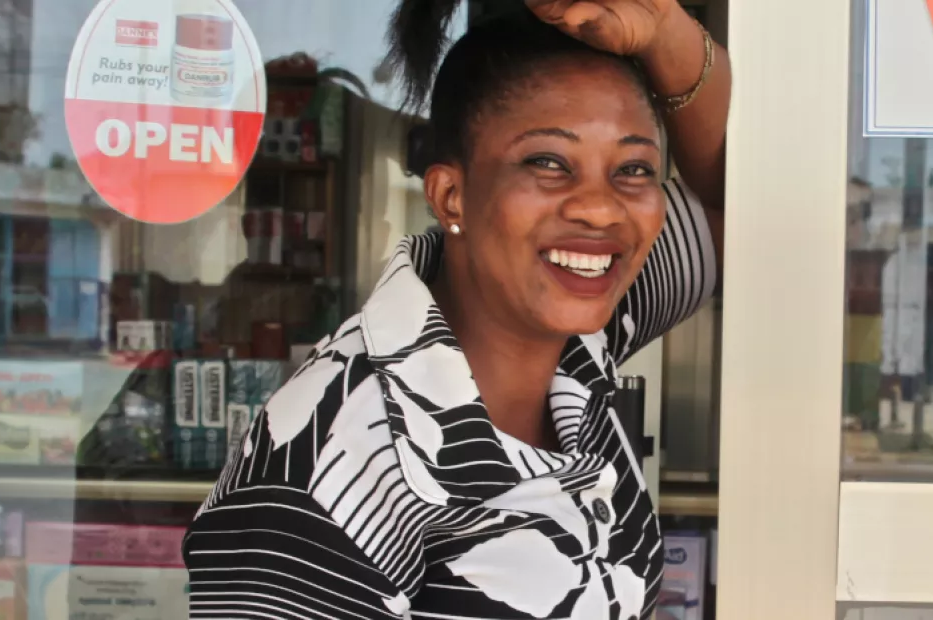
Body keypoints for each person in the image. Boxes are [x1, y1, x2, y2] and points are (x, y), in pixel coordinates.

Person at [181, 0, 729, 616]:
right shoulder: (319, 484)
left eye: (633, 168)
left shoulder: (583, 336)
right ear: (451, 195)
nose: (600, 209)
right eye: (548, 162)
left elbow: (748, 197)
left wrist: (665, 31)